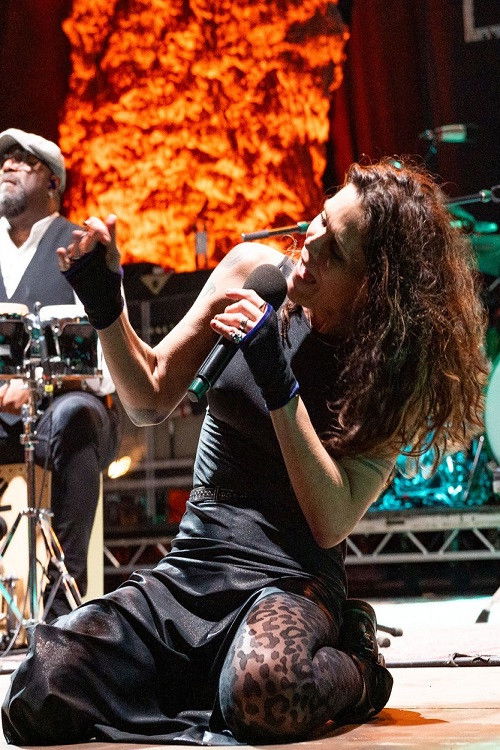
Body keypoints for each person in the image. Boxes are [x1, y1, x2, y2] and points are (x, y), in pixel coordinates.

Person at [2, 159, 488, 745]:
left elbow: (331, 520)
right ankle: (205, 679)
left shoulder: (392, 368)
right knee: (40, 685)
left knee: (267, 689)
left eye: (335, 250)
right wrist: (107, 309)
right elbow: (150, 397)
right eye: (319, 219)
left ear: (373, 285)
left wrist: (277, 378)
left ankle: (360, 667)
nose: (310, 242)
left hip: (289, 581)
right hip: (196, 566)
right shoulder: (251, 273)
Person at [0, 129, 121, 621]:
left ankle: (63, 606)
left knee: (78, 416)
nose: (7, 167)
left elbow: (107, 370)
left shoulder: (80, 247)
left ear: (53, 181)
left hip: (60, 414)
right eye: (4, 160)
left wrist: (37, 385)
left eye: (22, 161)